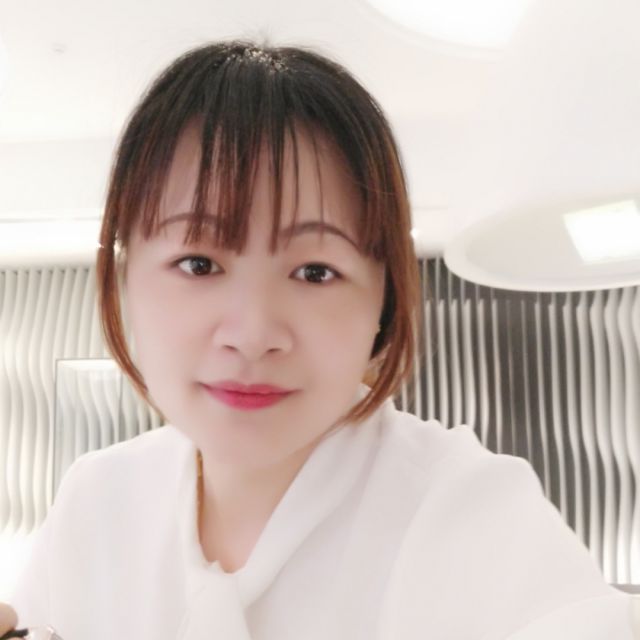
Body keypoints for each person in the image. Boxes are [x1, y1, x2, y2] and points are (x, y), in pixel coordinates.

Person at [1, 40, 636, 640]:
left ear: (384, 299)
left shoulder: (466, 507)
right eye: (199, 263)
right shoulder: (97, 498)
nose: (253, 335)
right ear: (125, 277)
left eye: (315, 272)